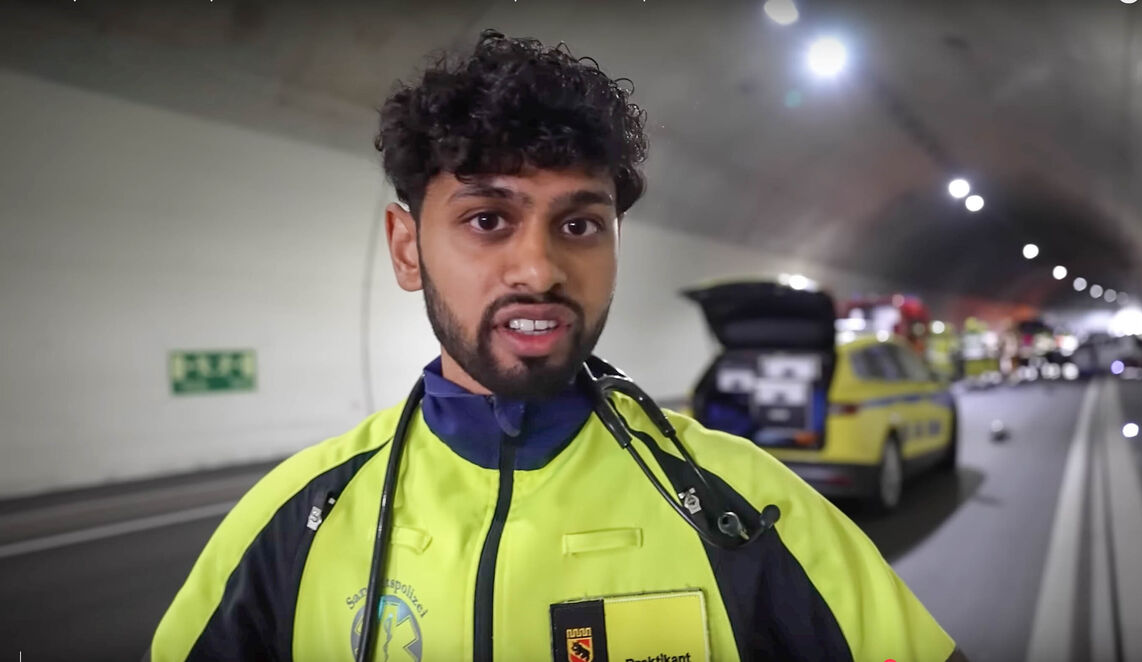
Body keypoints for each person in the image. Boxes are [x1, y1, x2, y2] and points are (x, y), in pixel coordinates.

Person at [150, 30, 966, 662]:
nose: (539, 270)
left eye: (579, 225)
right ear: (406, 249)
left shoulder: (747, 508)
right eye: (487, 220)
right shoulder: (293, 521)